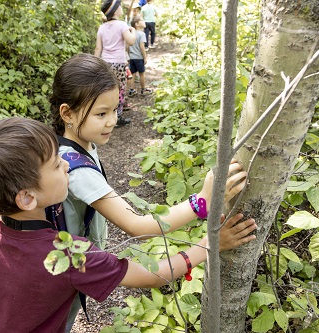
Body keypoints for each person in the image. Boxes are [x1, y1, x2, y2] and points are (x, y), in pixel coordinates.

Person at [0, 117, 257, 333]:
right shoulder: (68, 255)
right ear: (27, 198)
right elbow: (153, 275)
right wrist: (209, 245)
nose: (67, 163)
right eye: (56, 164)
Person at [50, 53, 257, 332]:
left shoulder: (70, 146)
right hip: (66, 269)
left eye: (115, 109)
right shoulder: (75, 168)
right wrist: (202, 201)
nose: (112, 121)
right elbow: (139, 226)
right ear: (67, 114)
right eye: (101, 114)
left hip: (71, 259)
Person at [94, 0, 136, 128]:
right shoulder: (122, 25)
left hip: (105, 63)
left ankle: (104, 114)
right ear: (115, 10)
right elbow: (131, 41)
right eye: (119, 5)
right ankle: (117, 117)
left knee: (107, 89)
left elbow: (98, 49)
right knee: (120, 89)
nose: (121, 7)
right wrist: (132, 31)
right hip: (119, 64)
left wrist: (95, 65)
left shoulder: (102, 27)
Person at [127, 15, 152, 97]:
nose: (144, 22)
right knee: (141, 74)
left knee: (133, 74)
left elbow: (127, 46)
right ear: (137, 24)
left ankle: (132, 90)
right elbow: (142, 47)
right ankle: (143, 89)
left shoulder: (130, 34)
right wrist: (145, 57)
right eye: (142, 20)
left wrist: (128, 56)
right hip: (139, 58)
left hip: (131, 57)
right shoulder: (142, 34)